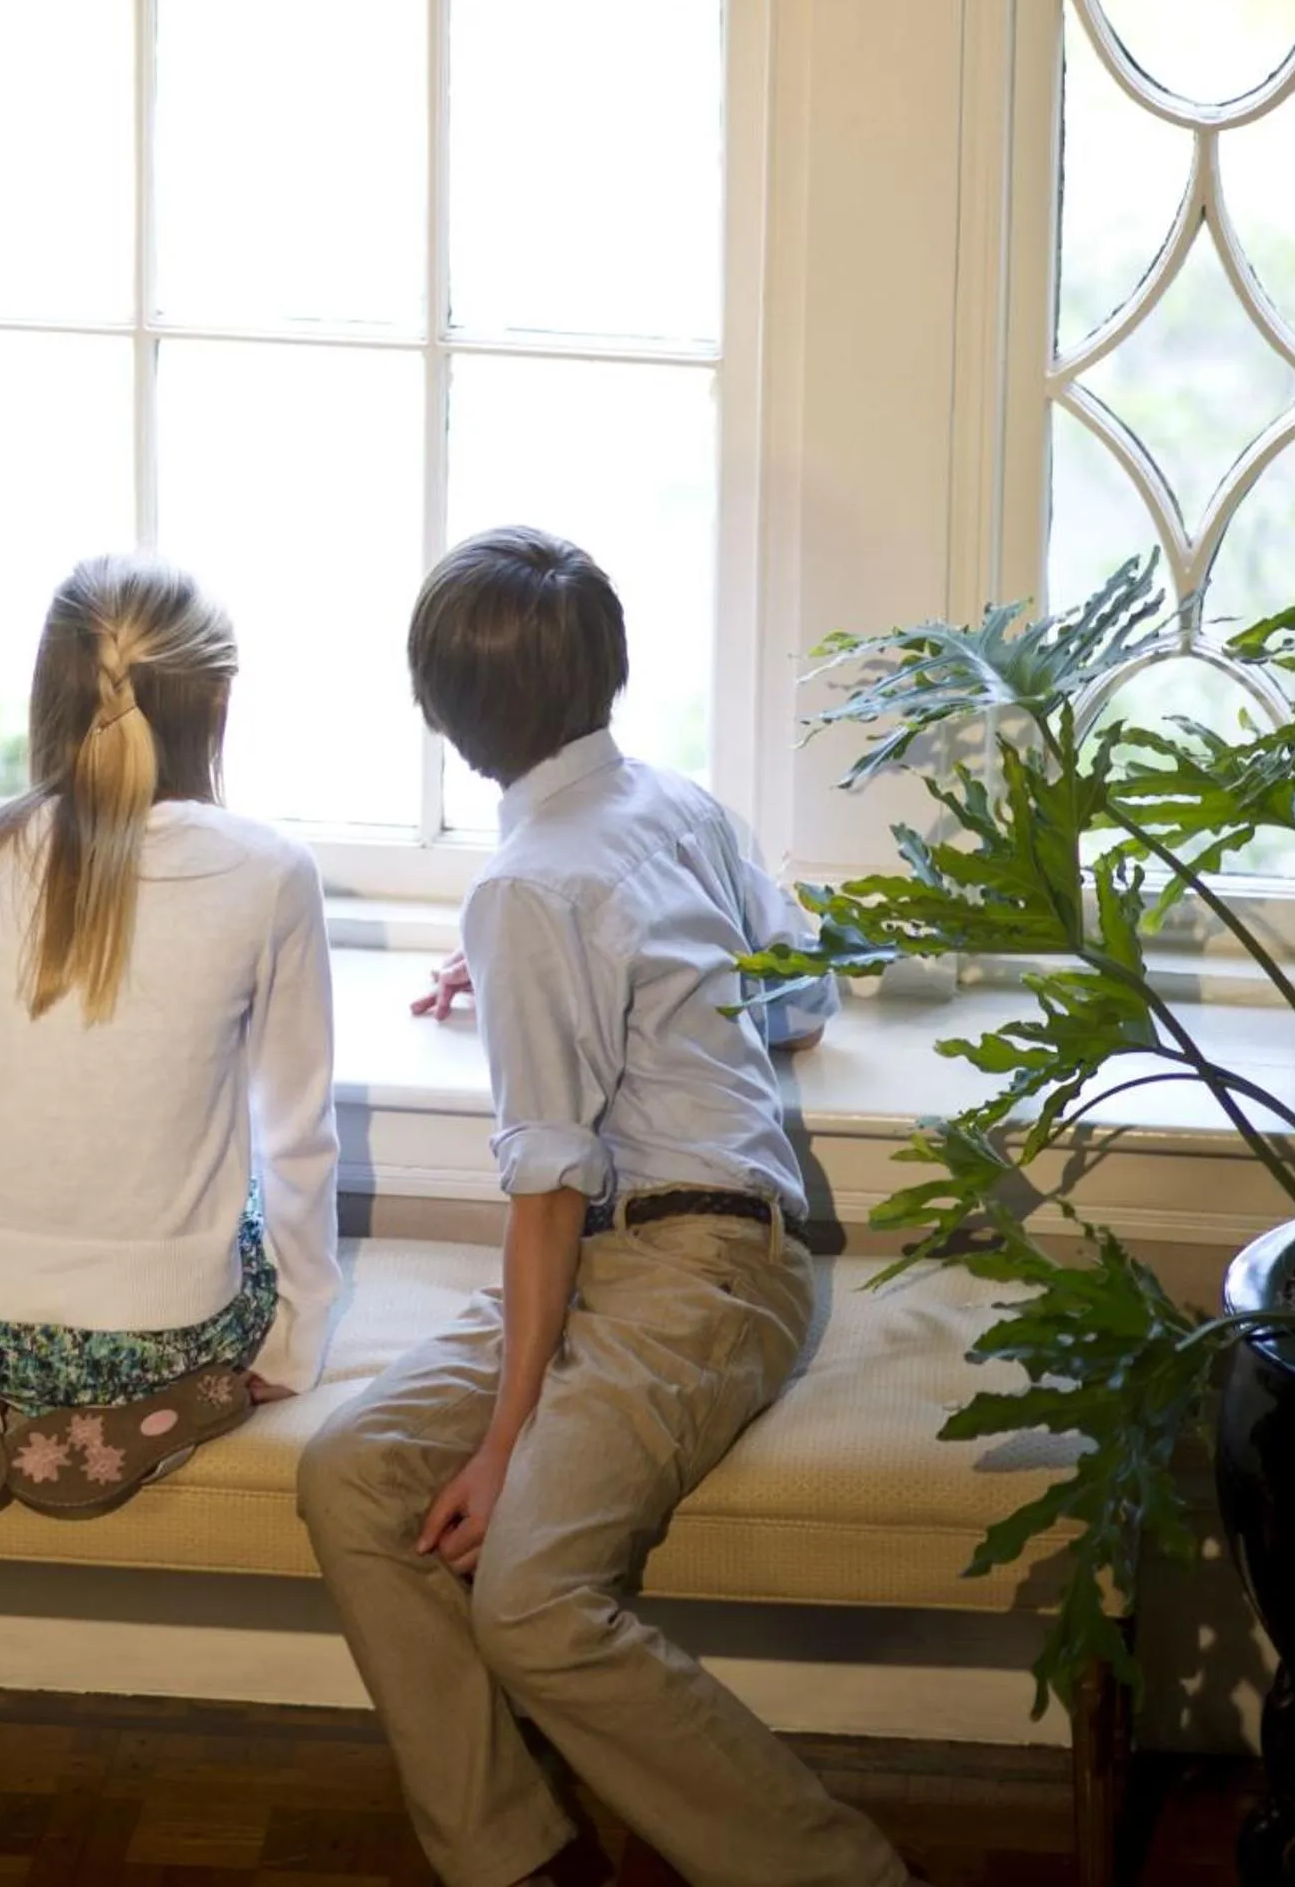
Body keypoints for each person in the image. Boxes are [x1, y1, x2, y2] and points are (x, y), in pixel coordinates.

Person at [297, 527, 908, 1887]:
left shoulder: (525, 886)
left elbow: (546, 1195)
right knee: (346, 1475)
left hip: (694, 1267)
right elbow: (795, 997)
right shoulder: (673, 808)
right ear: (609, 670)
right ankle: (516, 1858)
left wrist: (503, 1441)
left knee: (531, 1604)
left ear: (443, 718)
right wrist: (552, 990)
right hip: (663, 1250)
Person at [0, 552, 340, 1518]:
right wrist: (296, 1341)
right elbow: (298, 1135)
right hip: (165, 1332)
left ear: (46, 695)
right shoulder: (269, 875)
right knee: (244, 1201)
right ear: (215, 708)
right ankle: (167, 1406)